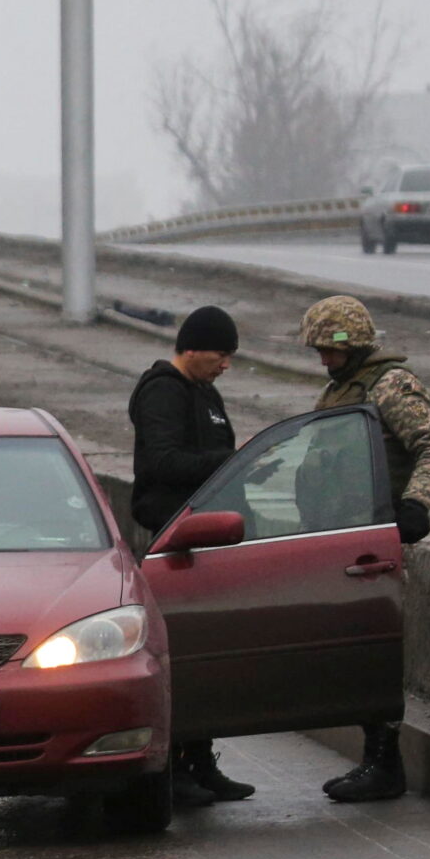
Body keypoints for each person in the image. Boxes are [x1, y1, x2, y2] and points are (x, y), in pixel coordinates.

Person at [298, 295, 430, 803]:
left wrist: (415, 505)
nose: (323, 359)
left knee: (376, 654)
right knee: (356, 654)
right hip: (340, 541)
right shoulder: (339, 391)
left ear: (355, 344)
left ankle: (385, 764)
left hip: (374, 545)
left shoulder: (390, 386)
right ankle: (373, 759)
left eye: (329, 350)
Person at [126, 305, 254, 805]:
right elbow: (162, 462)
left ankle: (202, 761)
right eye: (221, 355)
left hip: (208, 538)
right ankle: (175, 769)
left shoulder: (206, 393)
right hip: (174, 544)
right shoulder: (162, 391)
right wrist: (230, 463)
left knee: (207, 656)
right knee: (176, 656)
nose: (226, 365)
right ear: (194, 348)